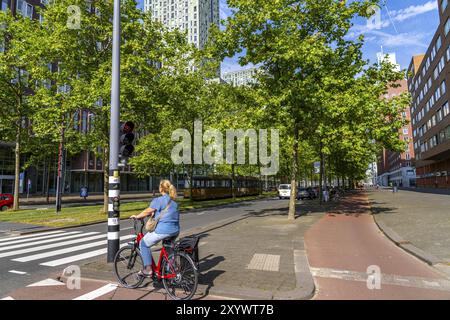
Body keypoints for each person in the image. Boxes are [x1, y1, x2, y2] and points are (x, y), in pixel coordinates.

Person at [130, 180, 180, 278]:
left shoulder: (158, 200)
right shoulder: (174, 202)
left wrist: (137, 216)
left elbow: (147, 211)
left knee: (143, 244)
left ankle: (148, 269)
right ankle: (170, 271)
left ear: (161, 188)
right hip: (175, 231)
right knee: (168, 249)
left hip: (163, 231)